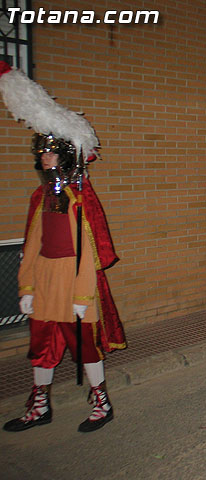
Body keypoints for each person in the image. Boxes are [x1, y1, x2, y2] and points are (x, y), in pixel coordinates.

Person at [0, 61, 125, 433]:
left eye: (51, 154)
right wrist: (27, 286)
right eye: (42, 154)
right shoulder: (40, 196)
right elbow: (32, 245)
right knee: (42, 344)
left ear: (67, 157)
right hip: (46, 280)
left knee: (85, 345)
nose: (44, 158)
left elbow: (90, 250)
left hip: (76, 281)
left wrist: (83, 294)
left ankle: (101, 401)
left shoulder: (81, 198)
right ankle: (40, 405)